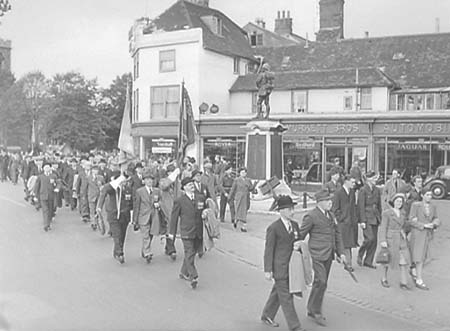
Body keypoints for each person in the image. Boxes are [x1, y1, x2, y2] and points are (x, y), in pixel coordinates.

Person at [298, 189, 345, 327]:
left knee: (320, 282)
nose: (330, 203)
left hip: (329, 254)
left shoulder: (331, 215)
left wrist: (341, 253)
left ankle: (311, 308)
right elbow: (301, 234)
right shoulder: (311, 216)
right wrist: (293, 245)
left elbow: (337, 235)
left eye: (330, 200)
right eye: (327, 200)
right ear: (320, 202)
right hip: (317, 253)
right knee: (322, 281)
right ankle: (316, 312)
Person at [261, 195, 306, 331]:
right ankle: (295, 326)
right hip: (279, 268)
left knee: (278, 293)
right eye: (288, 209)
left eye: (292, 208)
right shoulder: (273, 228)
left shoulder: (295, 225)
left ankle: (267, 314)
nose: (292, 212)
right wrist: (268, 270)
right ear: (281, 211)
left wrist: (300, 246)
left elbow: (298, 243)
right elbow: (268, 250)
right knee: (286, 297)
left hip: (292, 268)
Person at [168, 177, 207, 289]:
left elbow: (206, 209)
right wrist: (172, 233)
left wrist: (205, 212)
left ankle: (183, 271)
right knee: (189, 252)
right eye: (189, 184)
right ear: (184, 188)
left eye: (192, 184)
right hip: (186, 231)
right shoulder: (180, 201)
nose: (192, 186)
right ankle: (193, 275)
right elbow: (174, 218)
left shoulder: (201, 198)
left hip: (198, 231)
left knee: (192, 252)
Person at [96, 171, 133, 264]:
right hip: (113, 214)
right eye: (122, 180)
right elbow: (104, 190)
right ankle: (120, 253)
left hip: (124, 216)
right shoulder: (112, 189)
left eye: (125, 181)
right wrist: (99, 207)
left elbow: (132, 203)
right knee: (117, 233)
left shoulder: (128, 189)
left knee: (122, 235)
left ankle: (117, 250)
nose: (124, 182)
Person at [407, 189, 440, 290]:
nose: (429, 196)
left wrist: (434, 224)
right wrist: (423, 225)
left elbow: (436, 218)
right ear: (422, 195)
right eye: (427, 194)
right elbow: (411, 220)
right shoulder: (416, 205)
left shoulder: (433, 206)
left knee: (426, 257)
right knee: (419, 257)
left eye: (431, 195)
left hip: (428, 235)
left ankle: (414, 269)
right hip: (418, 234)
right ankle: (419, 279)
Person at [379, 193, 411, 290]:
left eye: (401, 202)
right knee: (387, 260)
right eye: (397, 201)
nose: (399, 203)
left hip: (400, 238)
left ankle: (403, 282)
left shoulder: (403, 213)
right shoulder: (387, 213)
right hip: (391, 238)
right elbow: (383, 227)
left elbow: (404, 225)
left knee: (403, 260)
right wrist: (383, 240)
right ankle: (384, 278)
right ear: (393, 202)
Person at [133, 168, 164, 263]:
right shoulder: (139, 191)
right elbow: (136, 206)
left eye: (151, 179)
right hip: (143, 216)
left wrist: (159, 204)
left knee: (151, 234)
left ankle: (144, 249)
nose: (149, 181)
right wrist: (135, 220)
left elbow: (162, 201)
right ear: (144, 181)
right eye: (147, 179)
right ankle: (147, 252)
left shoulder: (157, 191)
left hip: (154, 216)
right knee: (145, 235)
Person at [331, 175, 358, 270]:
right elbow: (334, 209)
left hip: (351, 222)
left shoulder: (352, 192)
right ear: (346, 181)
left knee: (349, 243)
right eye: (352, 182)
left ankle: (348, 262)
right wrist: (341, 218)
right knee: (344, 243)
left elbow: (353, 207)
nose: (354, 184)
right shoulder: (338, 193)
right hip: (343, 223)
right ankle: (347, 263)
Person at [357, 171, 382, 268]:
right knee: (369, 238)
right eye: (374, 178)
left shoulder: (376, 190)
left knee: (374, 240)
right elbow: (361, 206)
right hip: (367, 217)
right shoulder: (363, 190)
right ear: (368, 179)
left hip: (375, 216)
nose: (376, 180)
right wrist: (362, 220)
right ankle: (360, 253)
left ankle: (368, 261)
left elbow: (379, 205)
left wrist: (380, 217)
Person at [158, 163, 181, 260]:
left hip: (176, 208)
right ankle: (171, 249)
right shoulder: (163, 181)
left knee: (174, 228)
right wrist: (173, 175)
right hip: (166, 208)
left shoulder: (177, 183)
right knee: (169, 227)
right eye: (171, 172)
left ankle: (168, 246)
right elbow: (164, 186)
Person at [229, 167, 258, 232]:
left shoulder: (248, 180)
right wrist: (230, 197)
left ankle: (241, 224)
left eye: (245, 172)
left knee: (245, 210)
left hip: (246, 197)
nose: (243, 174)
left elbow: (250, 188)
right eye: (242, 172)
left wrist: (255, 185)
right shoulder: (237, 180)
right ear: (239, 173)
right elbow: (233, 189)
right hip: (239, 197)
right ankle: (238, 222)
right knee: (238, 209)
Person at [33, 162, 58, 232]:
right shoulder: (40, 177)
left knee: (50, 210)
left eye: (48, 167)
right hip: (43, 196)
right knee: (45, 210)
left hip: (51, 196)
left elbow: (58, 183)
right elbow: (37, 187)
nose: (47, 169)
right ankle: (46, 225)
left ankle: (48, 223)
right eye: (45, 167)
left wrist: (57, 188)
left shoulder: (54, 176)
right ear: (43, 169)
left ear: (50, 168)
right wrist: (35, 196)